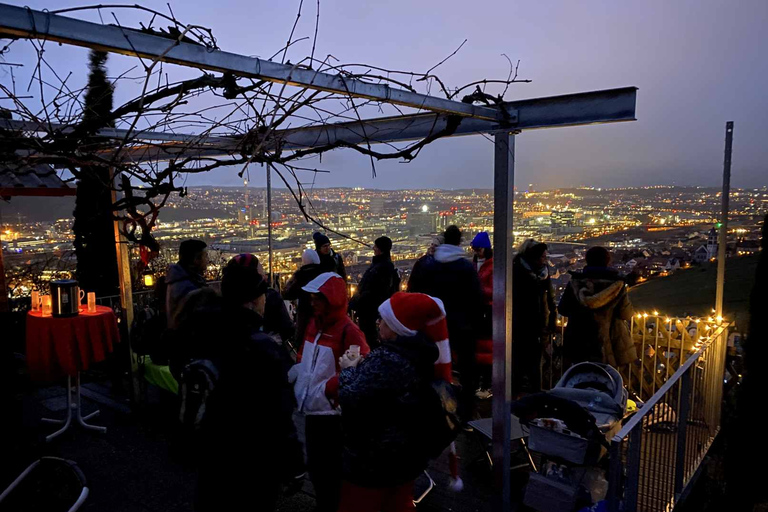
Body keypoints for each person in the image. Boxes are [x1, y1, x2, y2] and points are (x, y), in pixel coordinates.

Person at [194, 254, 304, 512]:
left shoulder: (204, 328)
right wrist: (294, 465)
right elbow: (278, 416)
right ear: (255, 299)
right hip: (253, 461)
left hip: (211, 452)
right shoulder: (262, 349)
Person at [336, 292, 452, 512]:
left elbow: (351, 395)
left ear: (397, 328)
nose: (378, 323)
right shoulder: (421, 354)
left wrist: (349, 370)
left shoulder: (389, 359)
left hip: (374, 460)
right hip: (406, 457)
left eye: (384, 320)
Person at [288, 272, 369, 512]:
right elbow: (305, 354)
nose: (312, 302)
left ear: (331, 299)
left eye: (317, 298)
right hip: (312, 409)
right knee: (317, 467)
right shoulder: (315, 324)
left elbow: (361, 368)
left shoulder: (349, 331)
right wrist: (298, 373)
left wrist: (328, 389)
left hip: (332, 415)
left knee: (329, 472)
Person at [411, 225, 482, 424]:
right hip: (462, 325)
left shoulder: (428, 266)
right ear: (459, 242)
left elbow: (416, 294)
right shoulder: (466, 267)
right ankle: (467, 412)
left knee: (431, 366)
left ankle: (432, 410)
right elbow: (476, 299)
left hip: (432, 325)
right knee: (468, 369)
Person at [558, 246, 636, 368]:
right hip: (607, 343)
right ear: (607, 261)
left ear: (587, 260)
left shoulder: (575, 283)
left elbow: (563, 309)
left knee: (579, 378)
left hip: (577, 341)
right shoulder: (617, 285)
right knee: (605, 379)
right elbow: (625, 314)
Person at [512, 239, 557, 395]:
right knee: (521, 363)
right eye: (543, 256)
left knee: (534, 363)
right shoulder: (518, 271)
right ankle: (519, 397)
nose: (545, 259)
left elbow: (550, 297)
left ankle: (533, 395)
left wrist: (552, 318)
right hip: (521, 323)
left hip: (538, 323)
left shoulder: (542, 272)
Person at [349, 236, 400, 349]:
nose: (373, 248)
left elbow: (373, 289)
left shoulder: (381, 267)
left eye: (375, 246)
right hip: (370, 307)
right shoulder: (383, 265)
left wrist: (359, 300)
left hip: (369, 308)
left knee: (368, 335)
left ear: (380, 249)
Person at [283, 249, 324, 345]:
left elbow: (287, 293)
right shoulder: (323, 273)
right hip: (322, 313)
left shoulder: (300, 275)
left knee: (303, 342)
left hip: (304, 314)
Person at [165, 239, 208, 329]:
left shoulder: (179, 279)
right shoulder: (188, 287)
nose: (207, 260)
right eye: (205, 256)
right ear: (196, 259)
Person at [471, 232, 494, 393]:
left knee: (486, 347)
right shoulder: (474, 264)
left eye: (479, 249)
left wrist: (477, 290)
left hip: (488, 310)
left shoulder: (491, 265)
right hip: (477, 310)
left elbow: (493, 289)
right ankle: (480, 382)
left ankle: (486, 383)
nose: (476, 252)